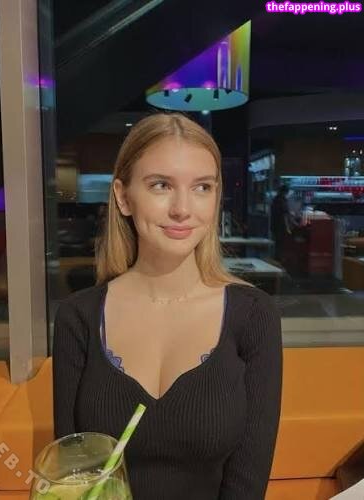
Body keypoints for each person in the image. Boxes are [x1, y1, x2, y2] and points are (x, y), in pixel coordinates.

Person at [53, 112, 283, 500]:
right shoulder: (78, 318)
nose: (182, 209)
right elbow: (74, 474)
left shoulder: (254, 315)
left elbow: (247, 482)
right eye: (161, 185)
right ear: (123, 196)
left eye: (202, 187)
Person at [270, 183, 292, 264]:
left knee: (278, 243)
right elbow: (284, 215)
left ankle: (277, 259)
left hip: (275, 225)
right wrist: (288, 228)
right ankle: (279, 260)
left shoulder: (275, 199)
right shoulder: (282, 200)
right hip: (281, 226)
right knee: (281, 243)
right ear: (285, 192)